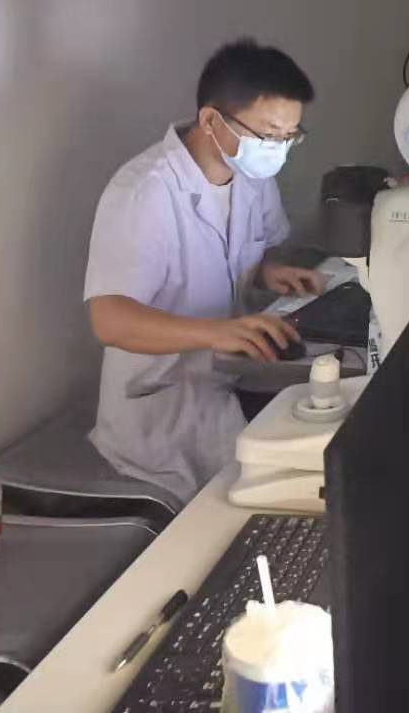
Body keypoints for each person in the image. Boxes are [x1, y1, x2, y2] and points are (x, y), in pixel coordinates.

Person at [85, 39, 325, 502]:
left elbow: (243, 251)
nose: (278, 149)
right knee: (269, 494)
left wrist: (269, 273)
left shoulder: (251, 175)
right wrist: (216, 333)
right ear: (212, 120)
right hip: (161, 407)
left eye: (290, 136)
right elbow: (109, 320)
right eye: (268, 134)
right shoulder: (146, 193)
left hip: (227, 378)